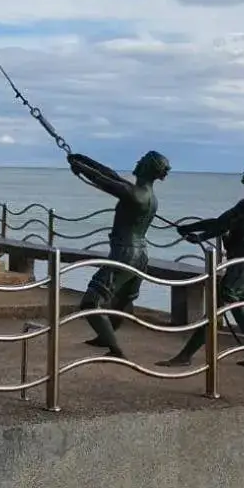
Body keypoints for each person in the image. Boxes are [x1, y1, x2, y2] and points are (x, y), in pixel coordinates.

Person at [158, 159, 244, 370]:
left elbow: (220, 225)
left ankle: (185, 356)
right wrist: (190, 229)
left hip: (243, 260)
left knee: (219, 308)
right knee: (237, 308)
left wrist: (198, 235)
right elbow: (220, 222)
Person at [67, 149, 171, 358]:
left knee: (90, 301)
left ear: (146, 167)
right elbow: (111, 175)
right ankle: (105, 337)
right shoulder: (147, 195)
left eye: (141, 160)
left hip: (125, 253)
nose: (137, 161)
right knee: (123, 300)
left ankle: (115, 349)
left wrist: (81, 168)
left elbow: (103, 181)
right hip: (141, 254)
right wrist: (84, 159)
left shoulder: (134, 194)